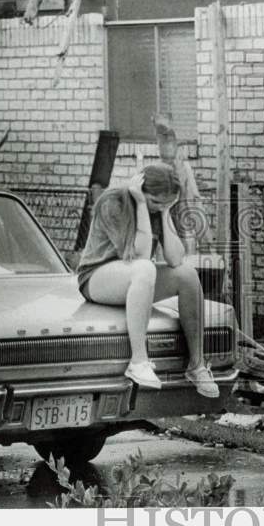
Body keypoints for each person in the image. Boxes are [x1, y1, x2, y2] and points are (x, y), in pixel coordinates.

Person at [76, 162, 218, 397]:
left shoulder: (158, 209)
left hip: (135, 277)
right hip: (96, 277)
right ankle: (139, 361)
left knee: (187, 274)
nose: (158, 208)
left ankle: (196, 364)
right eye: (155, 202)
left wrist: (164, 213)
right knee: (145, 267)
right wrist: (142, 205)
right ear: (140, 189)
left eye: (166, 203)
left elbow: (175, 258)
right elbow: (138, 255)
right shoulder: (114, 202)